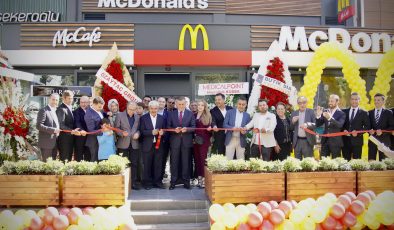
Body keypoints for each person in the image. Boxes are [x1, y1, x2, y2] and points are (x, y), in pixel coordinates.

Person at [167, 96, 196, 190]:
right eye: (179, 104)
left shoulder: (190, 114)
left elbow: (193, 127)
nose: (181, 106)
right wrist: (173, 130)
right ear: (176, 104)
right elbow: (168, 127)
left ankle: (186, 182)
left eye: (183, 104)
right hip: (174, 142)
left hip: (186, 142)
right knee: (174, 163)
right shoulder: (171, 114)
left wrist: (187, 129)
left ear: (185, 104)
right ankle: (173, 182)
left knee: (186, 162)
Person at [140, 100, 166, 190]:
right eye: (152, 108)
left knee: (158, 164)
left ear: (158, 109)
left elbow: (165, 131)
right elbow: (142, 132)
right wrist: (151, 132)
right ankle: (147, 183)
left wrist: (163, 133)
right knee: (147, 164)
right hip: (147, 145)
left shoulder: (162, 118)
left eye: (155, 108)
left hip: (159, 146)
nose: (154, 110)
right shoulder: (143, 118)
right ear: (148, 108)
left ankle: (158, 182)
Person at [115, 101, 141, 190]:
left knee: (134, 164)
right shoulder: (120, 115)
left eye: (134, 109)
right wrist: (122, 133)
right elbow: (116, 129)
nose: (132, 111)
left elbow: (139, 129)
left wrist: (138, 133)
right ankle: (124, 183)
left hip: (134, 143)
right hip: (123, 143)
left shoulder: (138, 117)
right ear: (126, 107)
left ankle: (133, 183)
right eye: (130, 109)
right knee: (123, 164)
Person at [342, 92, 371, 160]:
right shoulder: (344, 112)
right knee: (345, 163)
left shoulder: (364, 113)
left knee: (357, 164)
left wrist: (358, 132)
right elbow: (341, 125)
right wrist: (343, 130)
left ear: (359, 100)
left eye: (356, 99)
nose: (354, 101)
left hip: (357, 142)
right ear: (350, 100)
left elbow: (367, 127)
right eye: (352, 99)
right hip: (345, 142)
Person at [316, 94, 346, 159]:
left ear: (337, 102)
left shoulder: (341, 113)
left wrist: (330, 118)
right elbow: (318, 124)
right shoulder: (325, 111)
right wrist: (318, 116)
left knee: (336, 163)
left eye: (332, 101)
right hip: (325, 141)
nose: (329, 103)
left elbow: (340, 125)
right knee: (323, 162)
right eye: (329, 101)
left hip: (336, 142)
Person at [368, 93, 394, 161]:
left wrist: (382, 132)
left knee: (384, 163)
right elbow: (367, 126)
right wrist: (370, 130)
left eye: (378, 100)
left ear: (383, 101)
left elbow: (392, 126)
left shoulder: (389, 112)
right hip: (372, 141)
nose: (376, 102)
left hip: (384, 141)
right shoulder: (369, 113)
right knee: (371, 162)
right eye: (375, 100)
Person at [193, 99, 212, 188]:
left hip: (204, 141)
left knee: (203, 160)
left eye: (202, 105)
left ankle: (205, 181)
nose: (200, 107)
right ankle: (199, 180)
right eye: (198, 105)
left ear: (204, 107)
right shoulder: (193, 115)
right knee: (197, 160)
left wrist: (209, 129)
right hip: (195, 141)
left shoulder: (207, 116)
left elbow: (210, 132)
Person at [36, 93, 61, 162]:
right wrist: (53, 130)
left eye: (56, 100)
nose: (55, 102)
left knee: (53, 164)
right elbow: (39, 125)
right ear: (49, 99)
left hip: (55, 142)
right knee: (46, 165)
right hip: (46, 143)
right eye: (53, 99)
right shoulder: (43, 110)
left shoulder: (56, 111)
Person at [84, 96, 106, 162]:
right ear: (94, 104)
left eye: (102, 106)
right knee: (94, 160)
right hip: (93, 141)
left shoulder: (100, 110)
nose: (101, 108)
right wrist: (102, 130)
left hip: (101, 140)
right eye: (99, 107)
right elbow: (91, 130)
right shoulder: (89, 114)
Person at [56, 90, 76, 161]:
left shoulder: (70, 107)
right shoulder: (61, 109)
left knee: (69, 158)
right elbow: (60, 124)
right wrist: (72, 131)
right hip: (64, 139)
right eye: (69, 98)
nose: (71, 100)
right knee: (64, 159)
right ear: (63, 98)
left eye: (72, 98)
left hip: (70, 138)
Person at [73, 96, 90, 161]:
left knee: (88, 155)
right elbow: (77, 123)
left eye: (85, 102)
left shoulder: (91, 111)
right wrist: (82, 130)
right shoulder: (76, 112)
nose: (83, 104)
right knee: (78, 155)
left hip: (90, 137)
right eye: (81, 102)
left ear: (88, 102)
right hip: (80, 137)